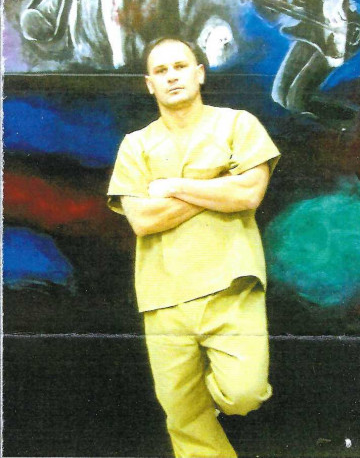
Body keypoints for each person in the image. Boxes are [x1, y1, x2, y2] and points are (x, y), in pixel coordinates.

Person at [107, 37, 280, 458]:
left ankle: (203, 402)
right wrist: (218, 185)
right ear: (149, 84)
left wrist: (173, 186)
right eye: (161, 71)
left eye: (180, 66)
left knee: (244, 393)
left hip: (231, 286)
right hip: (163, 295)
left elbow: (249, 194)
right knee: (183, 417)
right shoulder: (136, 145)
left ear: (200, 73)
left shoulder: (238, 124)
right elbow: (143, 219)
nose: (172, 76)